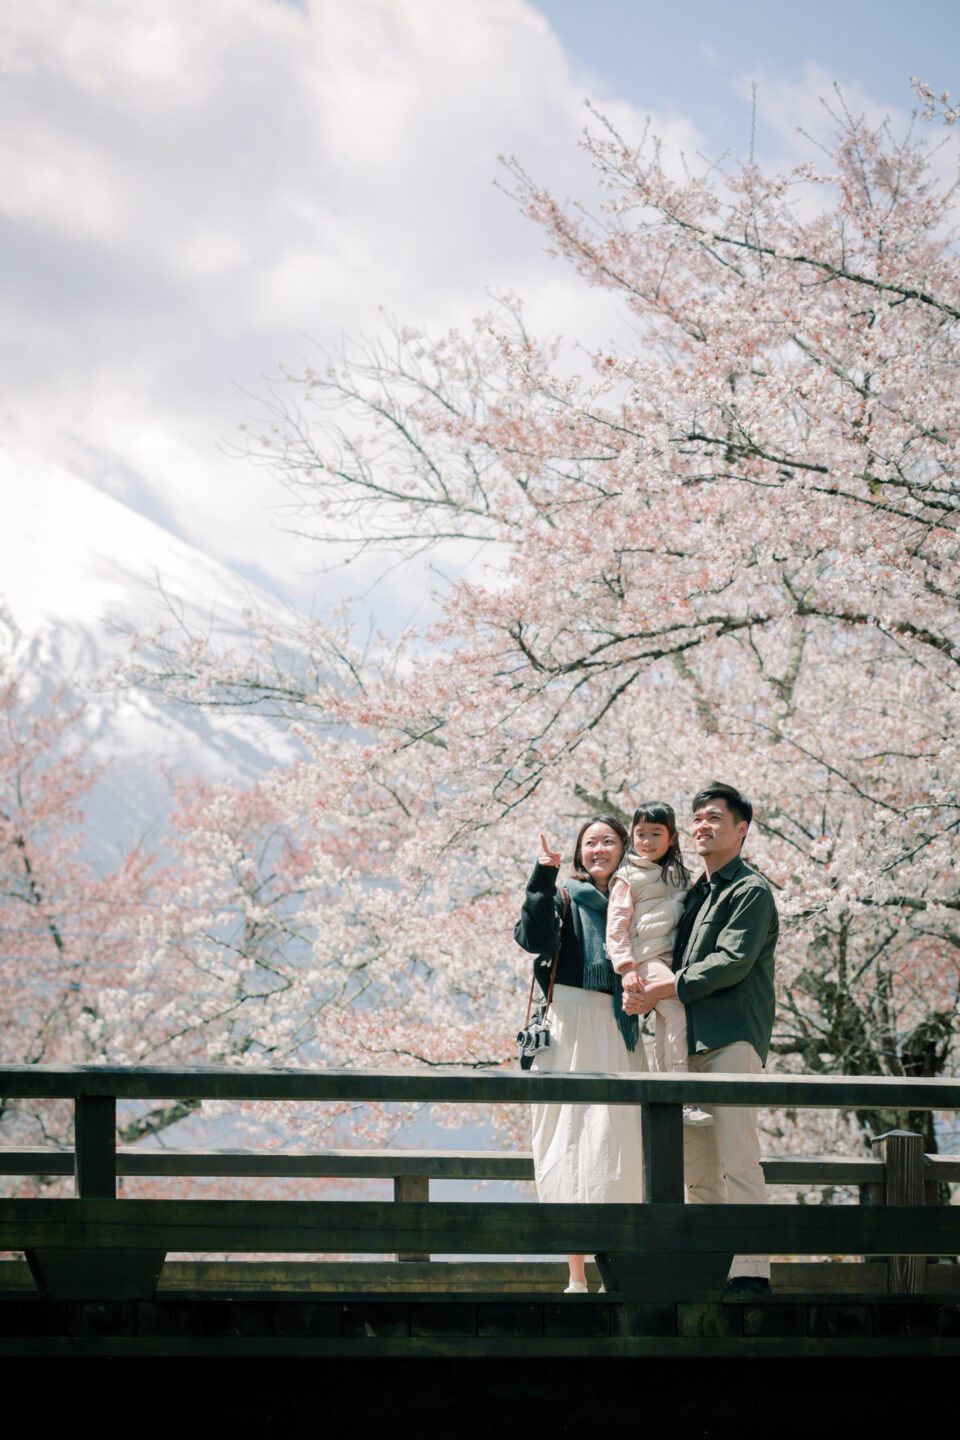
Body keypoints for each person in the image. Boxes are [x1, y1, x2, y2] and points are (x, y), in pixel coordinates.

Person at [622, 781, 778, 1295]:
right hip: (684, 1048)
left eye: (715, 817)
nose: (703, 826)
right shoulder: (693, 895)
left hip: (730, 1038)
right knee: (699, 1170)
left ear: (741, 829)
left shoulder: (749, 890)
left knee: (738, 1158)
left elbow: (732, 961)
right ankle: (715, 1272)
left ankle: (751, 1274)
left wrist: (667, 987)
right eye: (697, 818)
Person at [515, 816, 647, 1294]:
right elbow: (533, 938)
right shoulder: (564, 897)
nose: (599, 849)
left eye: (609, 841)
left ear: (624, 848)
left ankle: (617, 1270)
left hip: (619, 1026)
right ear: (579, 852)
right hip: (569, 1027)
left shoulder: (637, 897)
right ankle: (575, 1274)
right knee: (567, 1140)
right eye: (590, 842)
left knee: (619, 1145)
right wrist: (542, 875)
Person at [606, 801, 713, 1127]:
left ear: (672, 838)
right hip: (646, 959)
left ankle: (668, 1094)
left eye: (656, 834)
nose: (647, 841)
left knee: (668, 1023)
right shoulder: (626, 877)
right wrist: (626, 968)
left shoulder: (681, 876)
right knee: (677, 1008)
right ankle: (684, 1092)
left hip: (672, 961)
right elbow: (617, 926)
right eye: (640, 834)